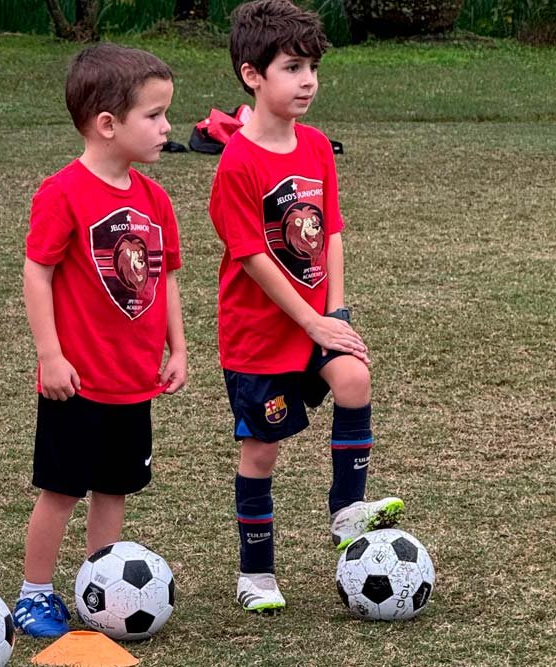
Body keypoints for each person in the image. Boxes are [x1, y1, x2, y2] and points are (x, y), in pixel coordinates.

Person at [209, 0, 403, 614]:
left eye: (313, 66)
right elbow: (252, 258)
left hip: (318, 319)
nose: (309, 80)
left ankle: (347, 511)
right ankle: (256, 574)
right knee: (262, 452)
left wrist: (336, 313)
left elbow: (333, 230)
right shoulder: (238, 162)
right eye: (293, 67)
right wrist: (312, 318)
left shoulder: (317, 146)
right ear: (252, 75)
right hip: (260, 337)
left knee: (353, 376)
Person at [14, 43, 187, 638]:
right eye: (155, 115)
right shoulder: (62, 192)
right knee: (61, 491)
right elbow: (37, 272)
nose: (168, 127)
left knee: (114, 488)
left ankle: (101, 587)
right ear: (107, 124)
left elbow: (163, 277)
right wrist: (50, 354)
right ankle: (33, 592)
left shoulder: (155, 200)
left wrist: (178, 347)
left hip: (132, 382)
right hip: (76, 382)